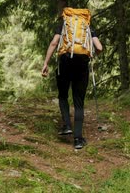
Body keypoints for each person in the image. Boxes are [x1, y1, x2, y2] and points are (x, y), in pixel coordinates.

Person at [41, 18, 103, 149]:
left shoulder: (64, 25)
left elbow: (54, 43)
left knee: (63, 95)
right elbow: (99, 47)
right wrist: (92, 54)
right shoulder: (87, 27)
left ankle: (67, 126)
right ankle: (78, 140)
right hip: (82, 65)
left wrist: (46, 63)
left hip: (65, 63)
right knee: (79, 102)